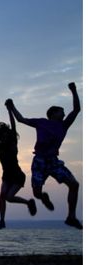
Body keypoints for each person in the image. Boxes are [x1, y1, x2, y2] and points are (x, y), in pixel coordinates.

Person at [6, 82, 82, 229]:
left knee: (74, 184)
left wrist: (73, 90)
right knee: (37, 193)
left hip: (53, 160)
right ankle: (43, 197)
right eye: (61, 112)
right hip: (39, 160)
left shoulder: (64, 125)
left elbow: (77, 109)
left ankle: (71, 216)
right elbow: (21, 119)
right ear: (53, 114)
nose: (64, 114)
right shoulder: (41, 122)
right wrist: (12, 106)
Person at [0, 103, 37, 229]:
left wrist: (9, 109)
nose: (4, 136)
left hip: (17, 174)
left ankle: (28, 202)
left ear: (9, 134)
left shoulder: (13, 142)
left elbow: (13, 125)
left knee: (9, 197)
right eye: (2, 134)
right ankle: (2, 220)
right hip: (6, 174)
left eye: (6, 133)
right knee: (2, 196)